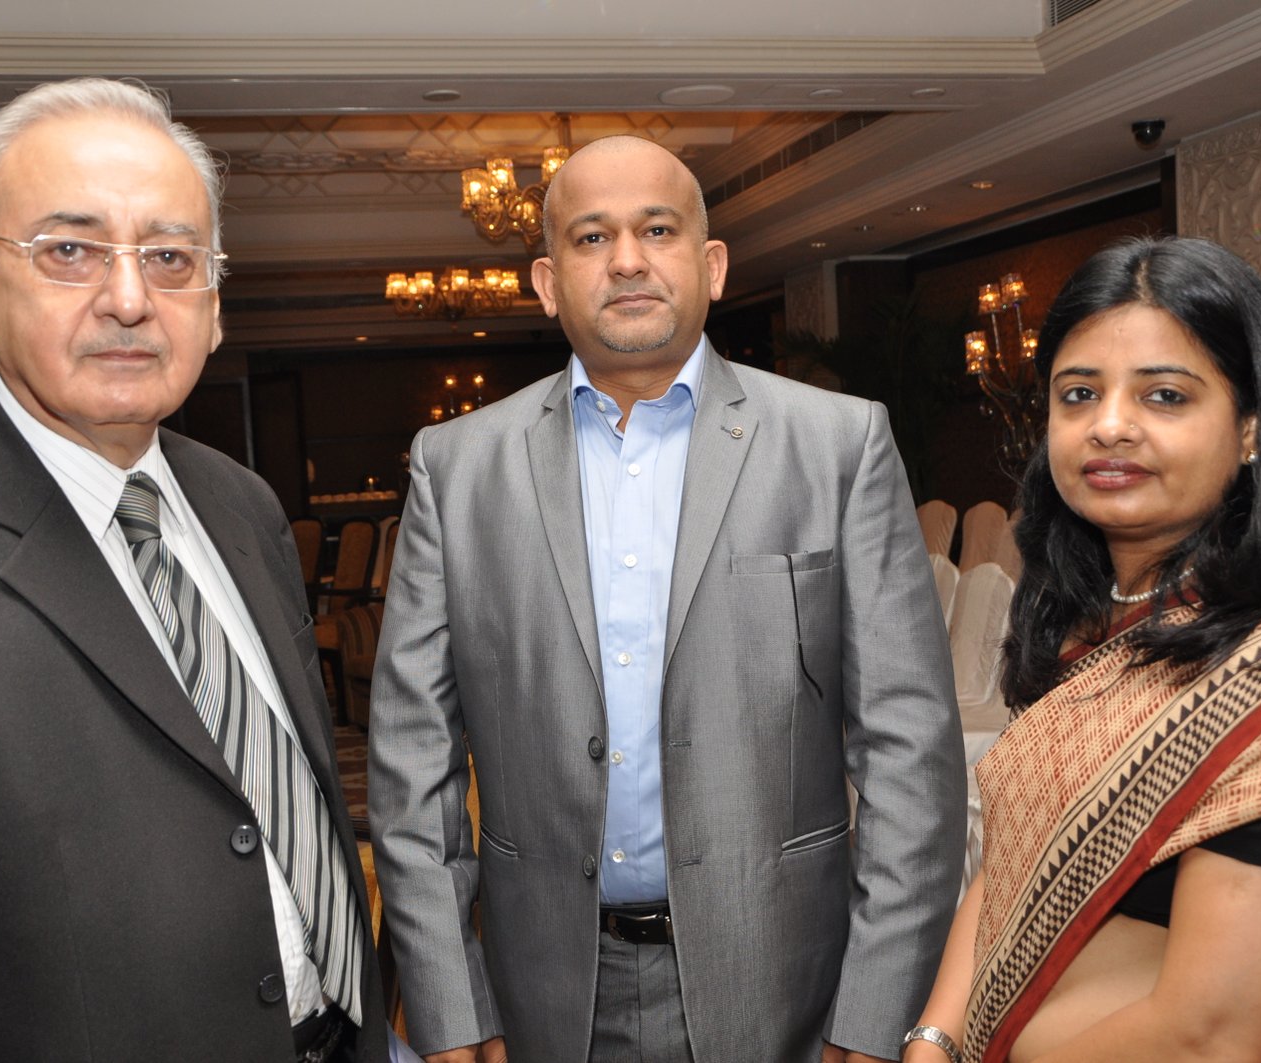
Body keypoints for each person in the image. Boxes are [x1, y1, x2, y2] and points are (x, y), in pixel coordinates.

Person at [0, 78, 385, 1063]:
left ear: (214, 305)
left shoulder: (241, 505)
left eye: (170, 257)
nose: (129, 298)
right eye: (70, 250)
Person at [369, 135, 964, 1063]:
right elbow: (413, 764)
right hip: (544, 995)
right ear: (547, 282)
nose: (627, 260)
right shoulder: (458, 468)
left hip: (789, 988)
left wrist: (876, 1009)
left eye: (657, 230)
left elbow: (909, 754)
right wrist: (450, 1004)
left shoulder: (838, 446)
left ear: (712, 265)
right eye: (591, 237)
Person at [904, 236, 1261, 1063]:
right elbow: (1012, 870)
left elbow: (1213, 1035)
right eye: (1078, 394)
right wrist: (932, 1040)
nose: (1109, 425)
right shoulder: (1077, 624)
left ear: (1251, 428)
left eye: (1164, 395)